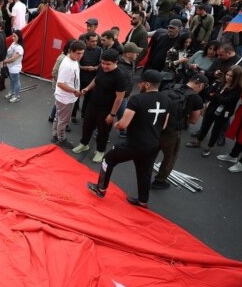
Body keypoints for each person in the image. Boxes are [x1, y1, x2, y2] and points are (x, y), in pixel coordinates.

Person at [87, 70, 170, 208]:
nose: (139, 85)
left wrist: (117, 125)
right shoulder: (166, 100)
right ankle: (143, 201)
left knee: (108, 160)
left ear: (147, 84)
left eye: (141, 82)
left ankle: (100, 189)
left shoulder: (137, 99)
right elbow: (164, 125)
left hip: (135, 143)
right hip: (153, 144)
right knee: (145, 172)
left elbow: (124, 124)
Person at [72, 49, 127, 163]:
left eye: (108, 64)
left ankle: (100, 151)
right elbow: (96, 79)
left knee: (103, 132)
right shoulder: (101, 69)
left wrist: (112, 114)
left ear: (116, 62)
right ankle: (84, 144)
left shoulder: (120, 77)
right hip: (93, 104)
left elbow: (119, 98)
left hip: (107, 109)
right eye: (103, 63)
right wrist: (87, 88)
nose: (104, 66)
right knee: (86, 126)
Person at [186, 66, 242, 157]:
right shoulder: (218, 82)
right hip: (212, 108)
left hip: (224, 112)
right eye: (227, 75)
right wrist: (215, 96)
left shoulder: (238, 88)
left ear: (237, 77)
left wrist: (215, 96)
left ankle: (209, 147)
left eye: (231, 76)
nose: (228, 77)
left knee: (216, 131)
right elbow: (208, 94)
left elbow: (226, 100)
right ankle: (197, 142)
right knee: (204, 126)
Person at [51, 40, 85, 148]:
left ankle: (55, 136)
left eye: (82, 53)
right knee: (63, 120)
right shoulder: (67, 65)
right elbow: (60, 83)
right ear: (71, 51)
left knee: (58, 117)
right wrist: (75, 91)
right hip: (65, 98)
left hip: (65, 97)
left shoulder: (73, 60)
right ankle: (61, 139)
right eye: (78, 53)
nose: (80, 56)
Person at [72, 33, 102, 123]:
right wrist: (84, 68)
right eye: (92, 41)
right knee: (76, 98)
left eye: (96, 41)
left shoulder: (99, 50)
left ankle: (84, 115)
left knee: (89, 99)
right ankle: (73, 115)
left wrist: (96, 67)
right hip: (80, 78)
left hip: (92, 80)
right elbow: (75, 63)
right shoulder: (81, 50)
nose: (95, 43)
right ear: (87, 41)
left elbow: (101, 62)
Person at [3, 29, 24, 103]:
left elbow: (13, 59)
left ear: (19, 37)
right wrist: (6, 60)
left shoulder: (19, 48)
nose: (13, 38)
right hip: (10, 67)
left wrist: (4, 61)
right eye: (13, 36)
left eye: (15, 36)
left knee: (16, 82)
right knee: (12, 81)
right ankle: (12, 92)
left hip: (15, 68)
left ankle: (17, 96)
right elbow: (8, 54)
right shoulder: (13, 44)